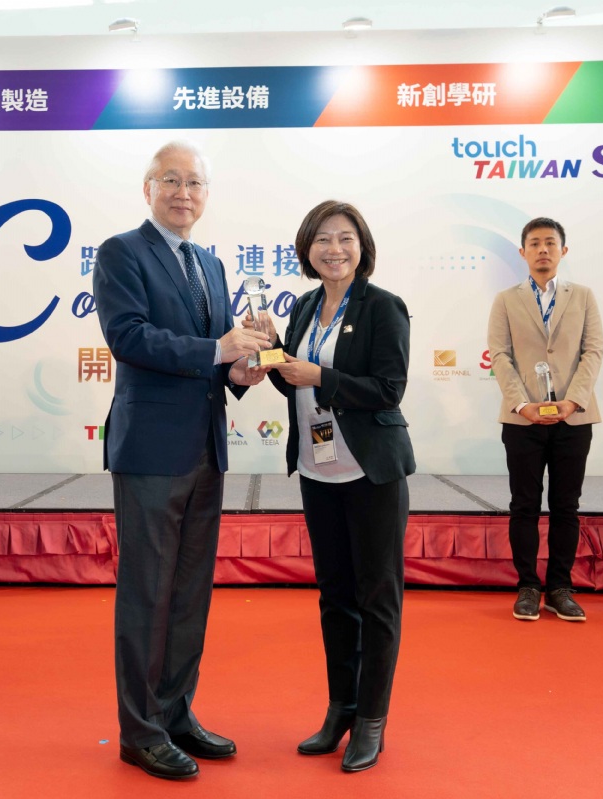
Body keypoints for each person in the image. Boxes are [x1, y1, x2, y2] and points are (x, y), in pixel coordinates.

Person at [92, 141, 268, 781]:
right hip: (149, 450)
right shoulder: (121, 252)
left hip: (205, 449)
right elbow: (129, 337)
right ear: (148, 189)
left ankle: (174, 713)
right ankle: (139, 731)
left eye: (194, 183)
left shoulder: (211, 265)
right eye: (171, 180)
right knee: (147, 592)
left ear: (206, 195)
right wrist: (218, 348)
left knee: (190, 592)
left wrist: (240, 370)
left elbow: (214, 357)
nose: (183, 193)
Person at [260, 200, 415, 774]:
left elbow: (388, 389)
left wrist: (320, 375)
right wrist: (273, 356)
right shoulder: (304, 306)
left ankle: (371, 721)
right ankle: (340, 709)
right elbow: (295, 386)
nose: (334, 249)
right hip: (317, 470)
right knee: (335, 598)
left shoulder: (383, 306)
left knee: (378, 599)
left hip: (371, 472)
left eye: (345, 238)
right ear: (307, 248)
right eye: (323, 239)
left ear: (362, 246)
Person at [487, 217, 603, 622]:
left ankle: (559, 588)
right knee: (524, 505)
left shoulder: (583, 296)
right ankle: (527, 587)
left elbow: (593, 352)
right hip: (523, 421)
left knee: (566, 506)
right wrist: (522, 405)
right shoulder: (506, 299)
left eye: (550, 243)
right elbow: (499, 355)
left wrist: (573, 401)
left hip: (574, 419)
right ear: (522, 252)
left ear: (563, 251)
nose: (542, 250)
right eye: (534, 243)